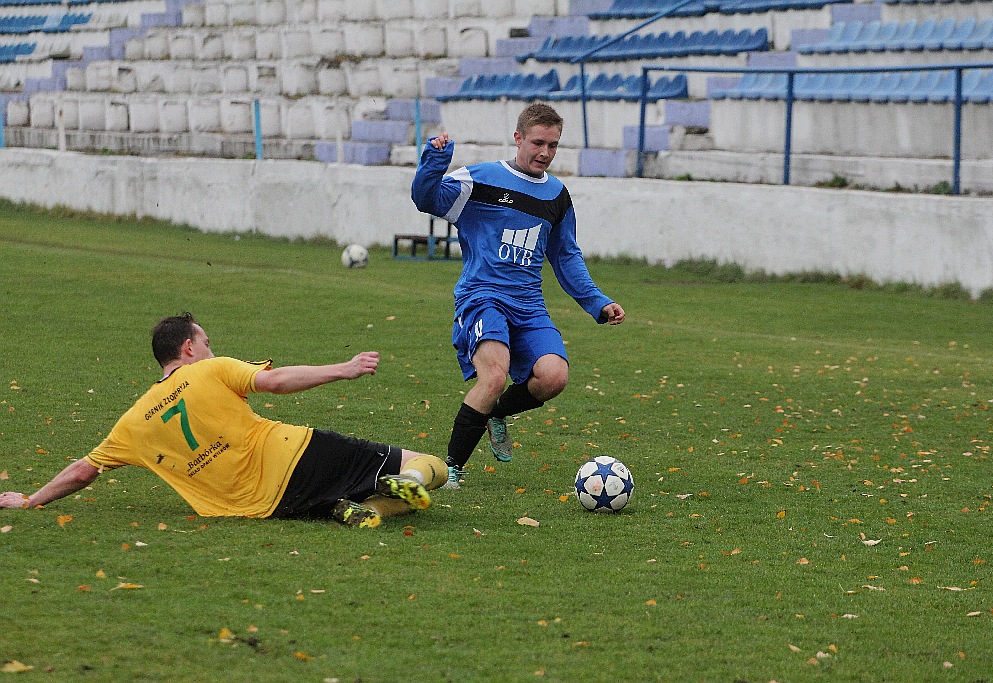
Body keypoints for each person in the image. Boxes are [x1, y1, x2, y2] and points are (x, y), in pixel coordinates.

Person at [0, 313, 449, 528]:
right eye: (207, 342)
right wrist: (344, 368)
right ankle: (399, 479)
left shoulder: (133, 423)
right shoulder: (209, 370)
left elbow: (83, 471)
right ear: (189, 349)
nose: (211, 349)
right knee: (434, 472)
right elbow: (273, 382)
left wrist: (31, 500)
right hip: (293, 456)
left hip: (253, 508)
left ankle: (345, 508)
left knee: (389, 503)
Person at [411, 102, 626, 489]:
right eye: (538, 143)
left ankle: (496, 413)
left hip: (528, 305)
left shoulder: (558, 195)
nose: (545, 153)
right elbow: (427, 199)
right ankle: (452, 469)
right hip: (483, 296)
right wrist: (435, 159)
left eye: (553, 145)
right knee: (494, 374)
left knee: (554, 377)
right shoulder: (482, 179)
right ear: (518, 138)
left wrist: (598, 302)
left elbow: (566, 256)